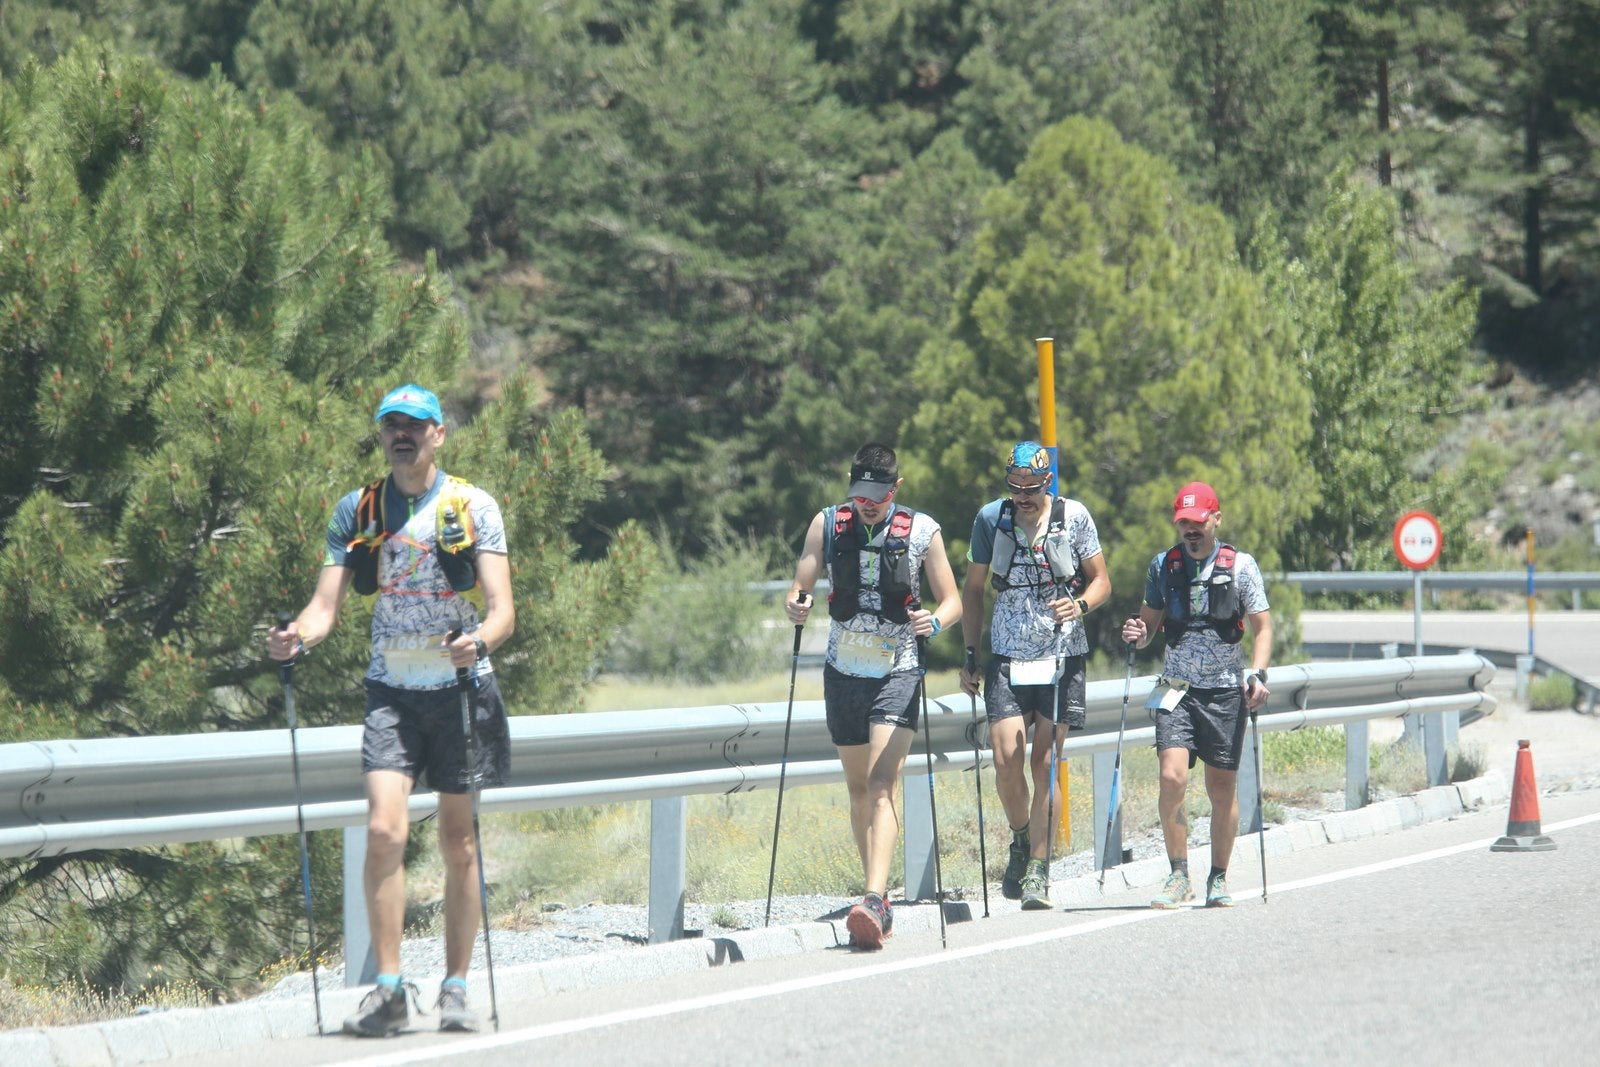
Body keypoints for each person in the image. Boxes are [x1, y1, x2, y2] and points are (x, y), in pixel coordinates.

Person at [267, 383, 515, 1036]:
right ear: (381, 436)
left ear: (438, 434)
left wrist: (478, 642)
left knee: (459, 841)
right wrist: (297, 635)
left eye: (414, 425)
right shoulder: (359, 509)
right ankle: (388, 986)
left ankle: (456, 986)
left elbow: (503, 611)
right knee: (384, 831)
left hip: (462, 692)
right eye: (390, 426)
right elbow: (325, 607)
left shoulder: (472, 506)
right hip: (393, 695)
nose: (401, 434)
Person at [784, 443, 961, 950]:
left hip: (898, 668)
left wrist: (937, 621)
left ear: (896, 489)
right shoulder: (826, 523)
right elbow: (802, 581)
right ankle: (873, 901)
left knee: (884, 782)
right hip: (843, 670)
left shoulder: (923, 531)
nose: (868, 503)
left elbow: (948, 600)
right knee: (858, 788)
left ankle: (875, 898)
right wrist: (797, 603)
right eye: (860, 493)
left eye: (878, 496)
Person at [958, 441, 1111, 910]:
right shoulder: (991, 519)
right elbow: (975, 588)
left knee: (1044, 761)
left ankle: (1040, 870)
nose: (1023, 496)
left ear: (1048, 482)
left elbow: (1102, 581)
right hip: (1008, 650)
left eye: (1032, 488)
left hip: (1061, 652)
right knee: (1006, 755)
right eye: (1016, 487)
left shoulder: (1074, 516)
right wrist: (970, 654)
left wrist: (1080, 603)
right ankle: (1021, 839)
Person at [1120, 481, 1271, 910]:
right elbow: (1148, 626)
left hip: (1225, 688)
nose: (1189, 529)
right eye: (1183, 522)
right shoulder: (1162, 566)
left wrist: (1258, 675)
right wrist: (1137, 631)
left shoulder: (1242, 566)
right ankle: (1178, 873)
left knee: (1221, 787)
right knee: (1172, 776)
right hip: (1175, 687)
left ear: (1215, 519)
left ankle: (1218, 877)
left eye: (1197, 521)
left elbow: (1263, 626)